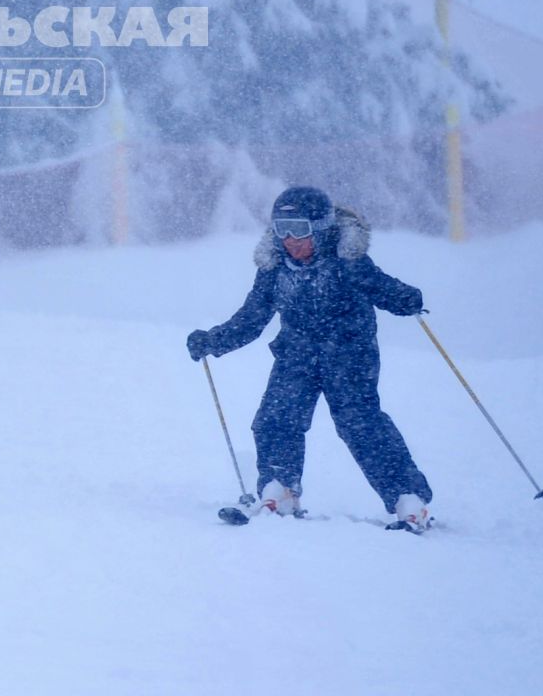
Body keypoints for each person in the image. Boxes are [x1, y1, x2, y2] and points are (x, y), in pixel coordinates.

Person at [186, 186, 434, 530]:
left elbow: (382, 288)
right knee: (276, 417)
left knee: (359, 424)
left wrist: (407, 299)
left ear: (320, 227)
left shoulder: (346, 260)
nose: (290, 239)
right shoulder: (275, 267)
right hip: (297, 354)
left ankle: (408, 498)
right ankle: (279, 489)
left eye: (299, 229)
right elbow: (253, 317)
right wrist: (214, 341)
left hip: (349, 356)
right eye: (281, 229)